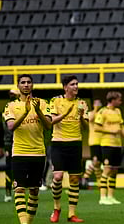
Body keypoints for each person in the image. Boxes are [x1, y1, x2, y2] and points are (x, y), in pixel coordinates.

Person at [3, 74, 52, 224]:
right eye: (23, 82)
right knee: (18, 189)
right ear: (18, 86)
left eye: (29, 82)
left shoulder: (43, 103)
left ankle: (28, 222)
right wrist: (25, 111)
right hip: (19, 153)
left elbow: (49, 125)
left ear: (33, 85)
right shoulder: (10, 106)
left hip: (38, 152)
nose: (26, 85)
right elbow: (11, 127)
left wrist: (37, 111)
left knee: (34, 191)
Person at [48, 75, 89, 223]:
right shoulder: (55, 101)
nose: (76, 87)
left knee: (74, 179)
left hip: (75, 143)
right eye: (72, 84)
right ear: (65, 87)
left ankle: (71, 214)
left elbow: (86, 127)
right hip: (59, 143)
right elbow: (51, 121)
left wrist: (82, 117)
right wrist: (64, 114)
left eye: (77, 84)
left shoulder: (82, 103)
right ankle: (56, 208)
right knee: (57, 177)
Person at [94, 91, 124, 205]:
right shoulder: (103, 111)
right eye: (119, 99)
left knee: (114, 170)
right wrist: (111, 131)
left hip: (117, 145)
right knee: (106, 169)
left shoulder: (118, 111)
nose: (120, 101)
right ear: (113, 100)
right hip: (107, 144)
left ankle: (111, 196)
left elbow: (121, 126)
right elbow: (97, 127)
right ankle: (102, 197)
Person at [1, 88, 20, 202]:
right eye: (11, 94)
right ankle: (8, 192)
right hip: (10, 142)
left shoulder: (19, 107)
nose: (12, 95)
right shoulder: (7, 108)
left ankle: (19, 189)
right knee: (9, 167)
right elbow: (8, 128)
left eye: (14, 94)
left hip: (20, 141)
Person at [81, 99, 103, 188]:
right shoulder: (90, 113)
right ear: (93, 104)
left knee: (98, 163)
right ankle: (85, 177)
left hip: (102, 141)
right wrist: (95, 109)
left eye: (99, 103)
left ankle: (100, 182)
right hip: (94, 141)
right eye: (96, 103)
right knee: (95, 161)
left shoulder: (102, 113)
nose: (98, 104)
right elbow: (91, 119)